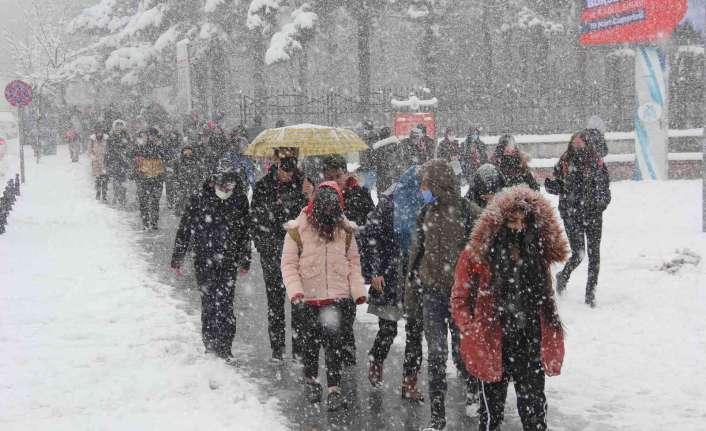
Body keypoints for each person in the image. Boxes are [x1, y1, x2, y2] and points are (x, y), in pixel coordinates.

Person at [451, 186, 569, 431]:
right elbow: (460, 298)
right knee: (491, 416)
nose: (517, 227)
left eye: (523, 221)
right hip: (493, 340)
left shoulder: (537, 252)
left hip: (529, 339)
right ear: (499, 222)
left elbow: (545, 296)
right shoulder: (478, 255)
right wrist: (472, 329)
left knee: (534, 414)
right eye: (512, 221)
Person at [407, 159, 481, 431]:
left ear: (437, 184)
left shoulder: (466, 211)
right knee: (436, 354)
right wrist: (412, 292)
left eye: (425, 184)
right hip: (432, 294)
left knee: (462, 351)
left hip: (460, 296)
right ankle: (437, 417)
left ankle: (473, 392)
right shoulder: (425, 212)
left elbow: (483, 247)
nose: (422, 189)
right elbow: (417, 255)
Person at [281, 181, 367, 411]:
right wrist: (296, 291)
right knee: (309, 345)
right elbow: (288, 264)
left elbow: (353, 262)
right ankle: (312, 381)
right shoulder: (297, 230)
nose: (328, 218)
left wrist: (357, 291)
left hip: (338, 299)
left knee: (334, 346)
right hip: (307, 299)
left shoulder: (345, 231)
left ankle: (334, 389)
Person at [171, 163, 251, 363]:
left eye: (229, 188)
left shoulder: (239, 200)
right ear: (214, 183)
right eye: (223, 187)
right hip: (203, 258)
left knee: (225, 303)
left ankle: (225, 347)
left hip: (229, 259)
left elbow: (244, 232)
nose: (226, 191)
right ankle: (210, 344)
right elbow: (185, 228)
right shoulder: (199, 199)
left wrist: (245, 259)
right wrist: (178, 257)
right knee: (208, 303)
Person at [361, 165, 426, 402]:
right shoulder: (389, 205)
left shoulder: (428, 207)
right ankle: (376, 360)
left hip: (416, 277)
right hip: (391, 276)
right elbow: (371, 237)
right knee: (388, 328)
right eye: (423, 185)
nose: (426, 190)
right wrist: (376, 271)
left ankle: (410, 382)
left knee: (415, 333)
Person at [251, 147, 308, 361]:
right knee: (275, 302)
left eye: (291, 165)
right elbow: (255, 221)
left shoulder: (304, 184)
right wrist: (264, 246)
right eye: (284, 165)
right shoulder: (263, 186)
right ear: (276, 162)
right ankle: (278, 349)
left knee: (298, 302)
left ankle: (299, 350)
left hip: (298, 253)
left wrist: (308, 195)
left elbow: (312, 217)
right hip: (272, 251)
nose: (288, 172)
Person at [544, 131, 611, 307]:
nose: (577, 147)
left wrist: (601, 203)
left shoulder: (596, 161)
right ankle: (563, 276)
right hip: (572, 214)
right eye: (575, 144)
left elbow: (604, 186)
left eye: (580, 144)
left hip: (593, 214)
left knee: (594, 254)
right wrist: (552, 186)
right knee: (579, 253)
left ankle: (590, 293)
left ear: (587, 144)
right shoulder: (565, 161)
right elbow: (559, 184)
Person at [321, 155, 375, 366]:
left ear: (346, 173)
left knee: (348, 307)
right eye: (330, 177)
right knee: (333, 307)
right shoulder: (322, 196)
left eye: (338, 176)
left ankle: (347, 347)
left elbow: (372, 223)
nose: (335, 180)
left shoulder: (360, 193)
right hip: (329, 259)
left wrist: (356, 231)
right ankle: (338, 349)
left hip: (352, 258)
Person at [132, 128, 168, 230]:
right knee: (144, 201)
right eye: (149, 135)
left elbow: (167, 157)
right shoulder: (140, 147)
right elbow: (133, 158)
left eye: (153, 135)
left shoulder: (161, 147)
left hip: (157, 177)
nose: (151, 137)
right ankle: (145, 222)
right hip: (144, 177)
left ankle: (154, 221)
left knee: (155, 201)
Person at [106, 120, 131, 207]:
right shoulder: (111, 136)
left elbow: (130, 149)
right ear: (114, 127)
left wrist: (126, 154)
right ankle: (116, 196)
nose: (119, 127)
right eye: (117, 126)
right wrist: (108, 162)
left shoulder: (127, 136)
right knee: (116, 181)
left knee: (123, 181)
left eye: (120, 125)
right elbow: (108, 150)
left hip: (124, 162)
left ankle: (123, 198)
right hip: (114, 162)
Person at [173, 145, 204, 216]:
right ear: (182, 153)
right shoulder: (178, 161)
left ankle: (192, 212)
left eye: (189, 152)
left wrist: (200, 182)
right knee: (180, 198)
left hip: (194, 183)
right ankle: (178, 211)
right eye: (185, 152)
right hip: (181, 183)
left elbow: (201, 173)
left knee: (193, 199)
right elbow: (175, 173)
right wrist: (176, 181)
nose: (187, 154)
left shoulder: (197, 161)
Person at [88, 127, 109, 201]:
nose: (99, 133)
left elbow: (109, 149)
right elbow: (89, 151)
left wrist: (108, 157)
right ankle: (98, 193)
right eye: (98, 132)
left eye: (101, 132)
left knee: (105, 179)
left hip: (105, 161)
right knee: (98, 179)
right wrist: (93, 158)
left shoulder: (106, 139)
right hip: (96, 162)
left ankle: (104, 194)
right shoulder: (92, 140)